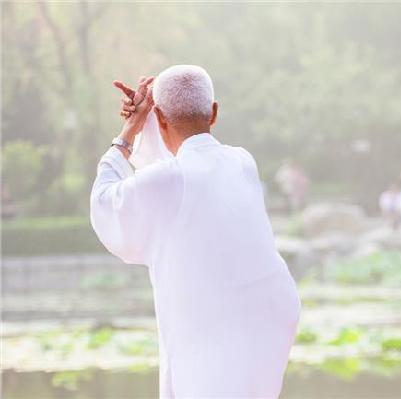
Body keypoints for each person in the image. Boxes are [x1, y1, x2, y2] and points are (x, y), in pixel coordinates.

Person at [90, 65, 301, 398]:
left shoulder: (172, 180)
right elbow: (177, 172)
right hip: (269, 315)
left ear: (160, 118)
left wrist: (130, 131)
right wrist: (151, 123)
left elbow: (107, 203)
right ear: (214, 112)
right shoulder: (242, 162)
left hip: (212, 329)